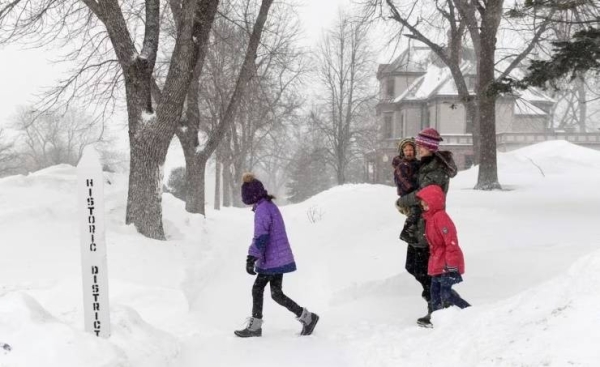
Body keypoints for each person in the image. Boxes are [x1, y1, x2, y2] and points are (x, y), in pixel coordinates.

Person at [234, 172, 319, 338]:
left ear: (250, 196)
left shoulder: (262, 209)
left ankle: (255, 327)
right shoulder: (268, 205)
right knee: (276, 294)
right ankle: (308, 318)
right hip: (276, 258)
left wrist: (251, 257)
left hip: (272, 259)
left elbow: (261, 236)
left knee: (258, 289)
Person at [395, 127, 458, 319]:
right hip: (419, 223)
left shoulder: (435, 170)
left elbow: (424, 194)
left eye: (421, 146)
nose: (417, 148)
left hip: (429, 225)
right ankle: (441, 301)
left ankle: (438, 305)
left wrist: (401, 202)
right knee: (413, 266)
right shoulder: (425, 164)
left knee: (424, 268)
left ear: (430, 147)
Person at [414, 184, 470, 327]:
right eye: (422, 203)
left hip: (447, 263)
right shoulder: (429, 219)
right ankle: (437, 318)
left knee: (446, 293)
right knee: (434, 292)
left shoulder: (441, 217)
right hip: (437, 262)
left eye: (426, 203)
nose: (423, 205)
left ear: (433, 202)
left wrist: (452, 265)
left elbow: (451, 243)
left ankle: (470, 312)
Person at [391, 138, 420, 243]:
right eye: (406, 150)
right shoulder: (402, 166)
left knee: (418, 212)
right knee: (415, 210)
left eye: (411, 150)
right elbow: (403, 180)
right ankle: (406, 231)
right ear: (402, 152)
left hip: (415, 192)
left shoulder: (416, 163)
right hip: (407, 193)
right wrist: (413, 188)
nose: (409, 152)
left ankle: (412, 230)